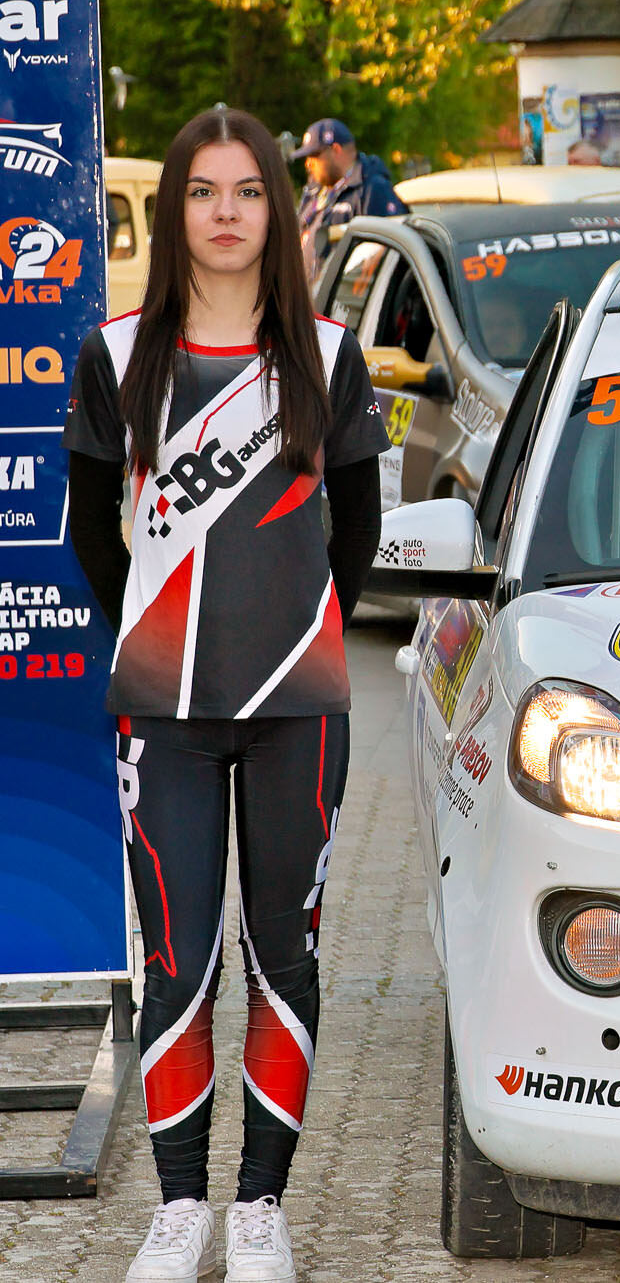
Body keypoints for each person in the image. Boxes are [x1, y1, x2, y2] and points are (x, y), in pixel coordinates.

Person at [66, 106, 388, 1282]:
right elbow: (91, 533)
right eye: (202, 192)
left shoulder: (329, 353)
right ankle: (181, 1208)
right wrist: (157, 639)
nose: (225, 213)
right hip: (165, 716)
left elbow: (358, 532)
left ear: (276, 209)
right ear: (174, 212)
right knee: (180, 960)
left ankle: (261, 1210)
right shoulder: (115, 356)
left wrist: (292, 630)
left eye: (247, 191)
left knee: (282, 959)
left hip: (300, 709)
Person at [292, 116, 406, 278]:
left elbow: (384, 257)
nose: (308, 163)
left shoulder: (372, 189)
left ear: (336, 150)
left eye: (314, 155)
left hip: (343, 291)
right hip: (307, 289)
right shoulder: (314, 190)